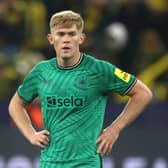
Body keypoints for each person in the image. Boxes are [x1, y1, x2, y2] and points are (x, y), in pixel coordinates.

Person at [8, 10, 153, 168]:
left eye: (72, 34)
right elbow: (16, 104)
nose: (66, 40)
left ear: (81, 38)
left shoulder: (99, 69)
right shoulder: (41, 71)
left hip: (86, 163)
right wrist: (31, 134)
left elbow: (142, 93)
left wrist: (115, 128)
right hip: (49, 164)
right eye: (61, 34)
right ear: (51, 39)